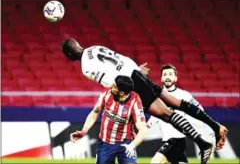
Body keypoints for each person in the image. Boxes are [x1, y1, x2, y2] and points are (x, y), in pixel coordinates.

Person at [61, 38, 227, 164]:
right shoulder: (94, 48)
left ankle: (203, 144)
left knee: (166, 114)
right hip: (135, 72)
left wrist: (126, 90)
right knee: (174, 103)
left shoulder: (85, 67)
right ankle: (215, 126)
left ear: (70, 55)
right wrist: (136, 70)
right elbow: (119, 58)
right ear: (78, 44)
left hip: (131, 82)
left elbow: (113, 82)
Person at [70, 75, 147, 164]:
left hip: (125, 143)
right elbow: (95, 112)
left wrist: (131, 146)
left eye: (114, 86)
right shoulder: (107, 94)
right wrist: (83, 131)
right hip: (105, 142)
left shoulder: (135, 102)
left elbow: (143, 129)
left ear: (121, 93)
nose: (111, 87)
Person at [148, 64, 215, 164]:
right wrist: (149, 123)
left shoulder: (184, 95)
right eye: (165, 74)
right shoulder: (157, 96)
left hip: (177, 139)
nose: (167, 77)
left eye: (170, 74)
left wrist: (196, 123)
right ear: (161, 78)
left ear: (175, 78)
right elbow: (156, 113)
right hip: (167, 139)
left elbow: (199, 109)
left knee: (155, 162)